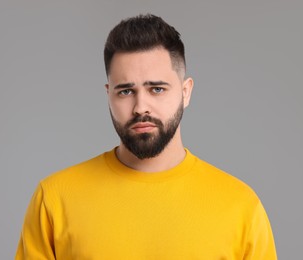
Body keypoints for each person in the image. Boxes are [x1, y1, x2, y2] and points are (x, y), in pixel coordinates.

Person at [15, 14, 277, 259]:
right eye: (126, 91)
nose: (141, 107)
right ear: (109, 95)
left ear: (186, 92)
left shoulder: (240, 206)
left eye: (157, 89)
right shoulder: (54, 199)